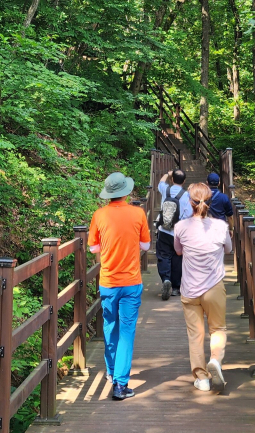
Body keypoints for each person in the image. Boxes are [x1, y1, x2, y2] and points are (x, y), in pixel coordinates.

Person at [88, 171, 150, 401]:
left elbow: (93, 248)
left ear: (108, 194)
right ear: (126, 192)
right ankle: (120, 385)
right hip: (131, 282)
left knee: (109, 326)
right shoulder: (138, 213)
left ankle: (112, 371)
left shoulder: (99, 215)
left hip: (108, 282)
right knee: (126, 332)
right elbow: (145, 245)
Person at [173, 182, 232, 393]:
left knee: (195, 335)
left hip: (189, 289)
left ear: (190, 202)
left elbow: (178, 251)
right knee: (218, 329)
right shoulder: (221, 227)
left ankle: (202, 378)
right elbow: (228, 249)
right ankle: (215, 360)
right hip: (214, 286)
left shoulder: (180, 227)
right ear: (211, 200)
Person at [155, 168, 192, 300]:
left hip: (164, 230)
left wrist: (167, 174)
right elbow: (189, 215)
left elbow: (160, 183)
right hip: (179, 232)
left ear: (172, 179)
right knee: (178, 258)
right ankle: (176, 287)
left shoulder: (166, 189)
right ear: (185, 181)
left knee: (163, 256)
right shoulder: (188, 195)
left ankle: (166, 279)